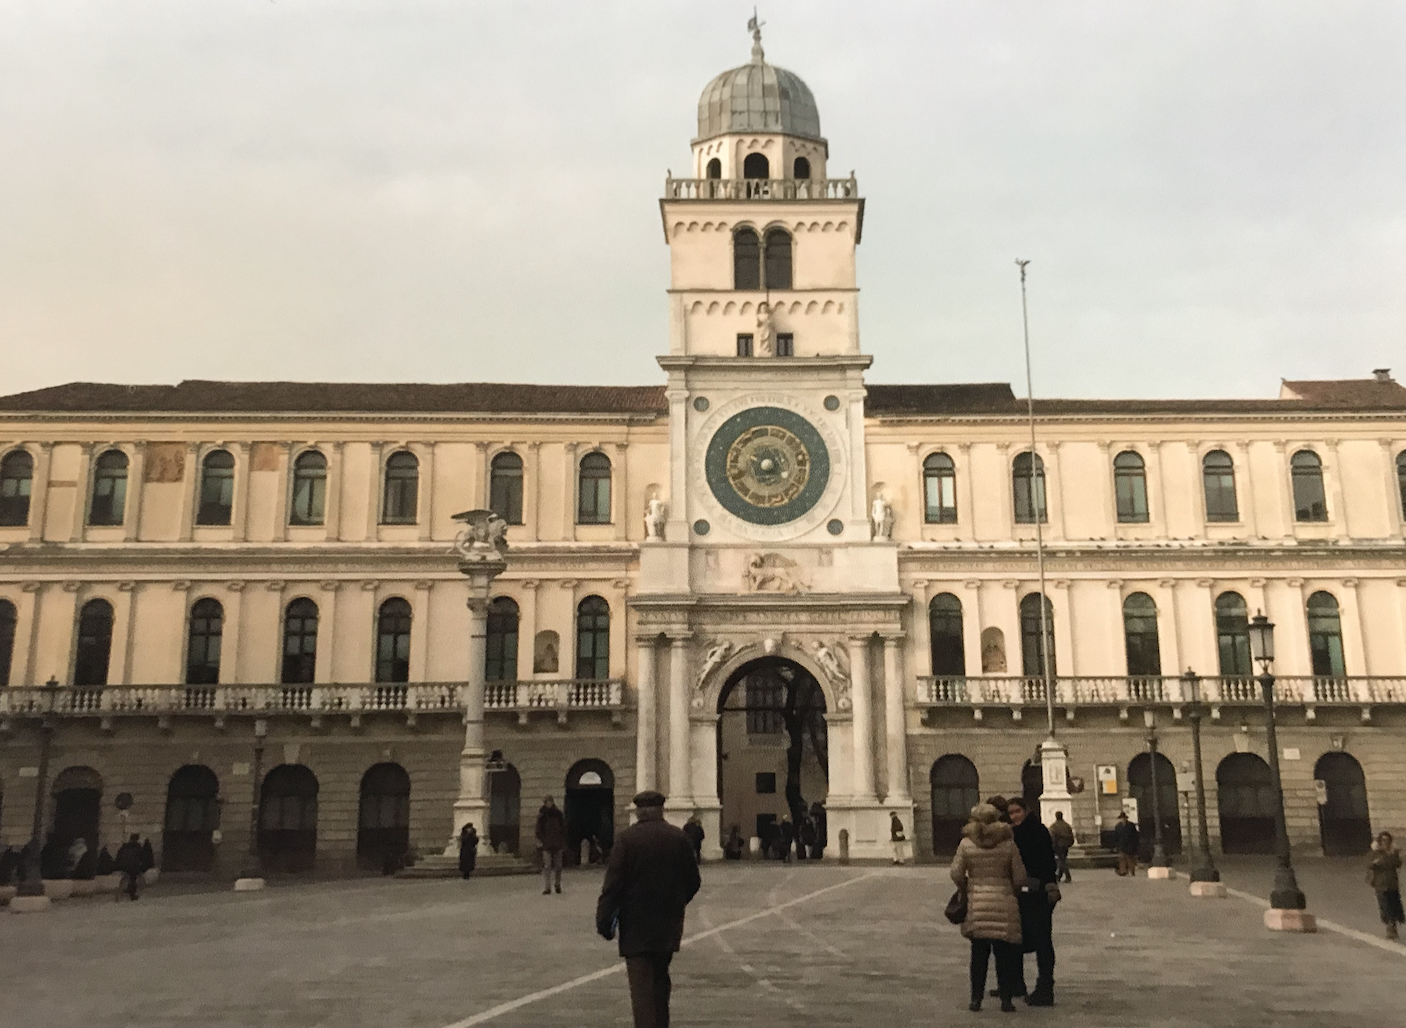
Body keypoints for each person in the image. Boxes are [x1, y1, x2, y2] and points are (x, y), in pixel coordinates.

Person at [597, 790, 702, 1028]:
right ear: (660, 809)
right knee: (660, 982)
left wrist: (603, 920)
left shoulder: (627, 839)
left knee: (642, 988)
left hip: (635, 925)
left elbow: (613, 885)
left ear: (639, 811)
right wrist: (676, 902)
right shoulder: (678, 838)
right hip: (668, 924)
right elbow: (693, 881)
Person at [950, 803, 1027, 1013]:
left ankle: (976, 999)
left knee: (978, 955)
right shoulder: (1008, 844)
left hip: (977, 902)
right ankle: (1006, 1000)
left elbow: (956, 872)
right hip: (1003, 900)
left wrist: (966, 886)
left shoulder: (966, 844)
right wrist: (1011, 889)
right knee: (1004, 956)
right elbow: (1020, 877)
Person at [1008, 796, 1059, 1006]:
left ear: (1026, 810)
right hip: (1032, 892)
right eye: (1011, 813)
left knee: (1040, 941)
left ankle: (1044, 988)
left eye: (1017, 811)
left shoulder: (1031, 832)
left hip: (1036, 893)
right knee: (1036, 939)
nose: (1014, 816)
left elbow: (1045, 863)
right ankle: (1025, 984)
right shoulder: (1026, 832)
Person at [1368, 831, 1404, 941]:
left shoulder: (1393, 852)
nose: (1385, 842)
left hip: (1392, 883)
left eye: (1387, 840)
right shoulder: (1375, 852)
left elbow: (1398, 864)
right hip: (1380, 884)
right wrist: (1377, 862)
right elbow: (1369, 864)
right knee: (1384, 906)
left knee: (1394, 905)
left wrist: (1394, 855)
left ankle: (1393, 926)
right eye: (1383, 840)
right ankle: (1389, 926)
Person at [536, 796, 568, 895]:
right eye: (547, 802)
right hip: (547, 845)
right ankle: (547, 887)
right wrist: (542, 841)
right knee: (547, 866)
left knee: (558, 866)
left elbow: (563, 829)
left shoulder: (558, 814)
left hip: (557, 844)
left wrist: (562, 841)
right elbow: (538, 830)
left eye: (550, 802)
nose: (548, 804)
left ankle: (557, 884)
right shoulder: (542, 815)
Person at [115, 834, 145, 901]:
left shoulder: (124, 846)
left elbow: (119, 855)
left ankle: (119, 895)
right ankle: (132, 894)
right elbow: (142, 857)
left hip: (123, 865)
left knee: (125, 878)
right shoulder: (138, 847)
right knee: (133, 878)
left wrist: (119, 864)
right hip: (133, 866)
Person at [1048, 811, 1075, 884]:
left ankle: (1068, 876)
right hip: (1066, 845)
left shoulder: (1054, 826)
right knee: (1063, 859)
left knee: (1062, 861)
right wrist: (1071, 843)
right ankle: (1059, 876)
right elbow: (1071, 835)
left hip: (1059, 845)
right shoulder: (1067, 825)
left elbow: (1052, 836)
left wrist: (1052, 845)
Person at [1112, 812, 1140, 877]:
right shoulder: (1118, 826)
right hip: (1122, 845)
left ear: (1125, 818)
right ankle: (1123, 871)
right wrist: (1116, 845)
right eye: (1121, 818)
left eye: (1123, 818)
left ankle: (1132, 871)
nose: (1122, 819)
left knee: (1130, 858)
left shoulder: (1131, 825)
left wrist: (1135, 844)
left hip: (1130, 845)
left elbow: (1135, 835)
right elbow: (1116, 836)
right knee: (1122, 859)